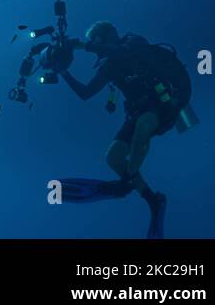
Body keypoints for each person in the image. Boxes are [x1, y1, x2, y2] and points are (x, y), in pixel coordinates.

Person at [54, 21, 191, 239]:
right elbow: (86, 92)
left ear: (109, 35)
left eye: (97, 39)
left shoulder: (132, 42)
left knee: (143, 127)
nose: (95, 44)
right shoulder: (108, 67)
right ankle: (152, 200)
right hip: (138, 111)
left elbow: (124, 52)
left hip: (164, 102)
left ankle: (125, 184)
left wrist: (81, 45)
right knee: (113, 157)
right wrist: (64, 73)